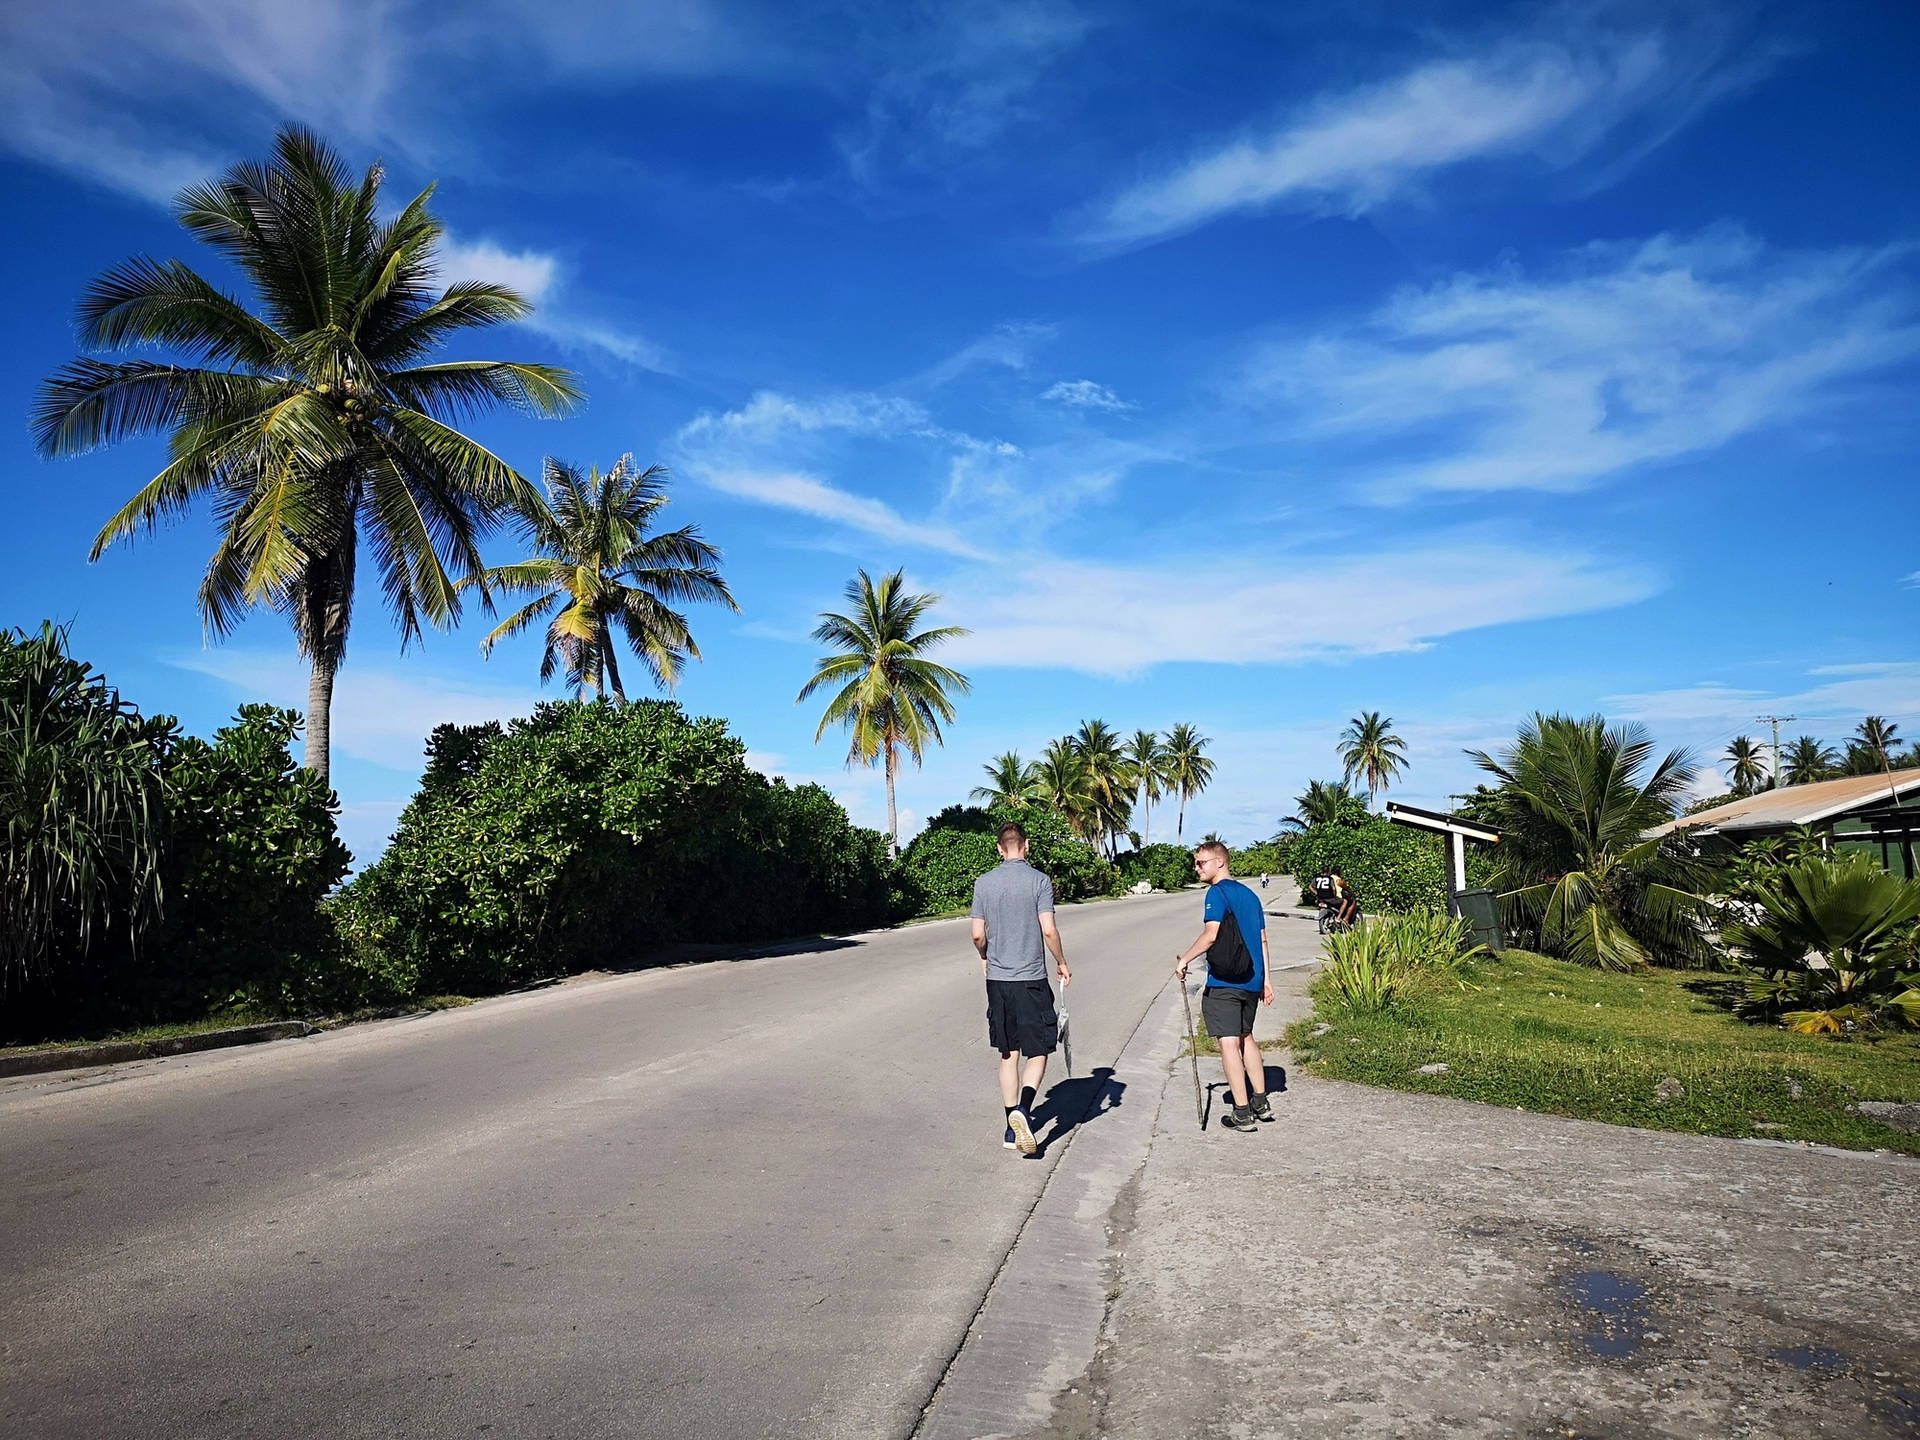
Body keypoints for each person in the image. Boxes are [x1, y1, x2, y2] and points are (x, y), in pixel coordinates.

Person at [970, 821, 1071, 1156]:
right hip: (1031, 979)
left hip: (998, 982)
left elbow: (976, 934)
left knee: (1007, 1053)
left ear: (1000, 848)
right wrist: (1061, 961)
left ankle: (1010, 1129)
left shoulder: (984, 883)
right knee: (1039, 1050)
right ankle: (1023, 1110)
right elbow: (1049, 930)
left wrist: (985, 955)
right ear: (1025, 846)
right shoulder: (1039, 881)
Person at [1175, 840, 1276, 1132]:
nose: (1197, 868)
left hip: (1225, 982)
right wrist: (1266, 980)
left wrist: (1185, 961)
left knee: (1229, 1043)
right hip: (1252, 981)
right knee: (1247, 1037)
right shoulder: (1251, 895)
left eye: (1201, 862)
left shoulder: (1216, 893)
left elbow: (1210, 935)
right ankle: (1261, 1103)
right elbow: (1263, 940)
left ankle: (1241, 1113)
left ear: (1220, 862)